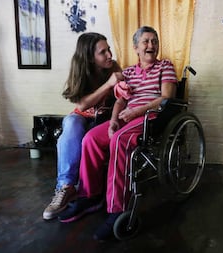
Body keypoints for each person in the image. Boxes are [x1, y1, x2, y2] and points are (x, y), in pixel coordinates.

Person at [57, 26, 178, 241]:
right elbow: (120, 100)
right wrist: (113, 121)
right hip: (125, 116)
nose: (151, 45)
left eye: (154, 41)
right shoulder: (128, 72)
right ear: (136, 48)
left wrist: (137, 111)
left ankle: (117, 209)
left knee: (120, 141)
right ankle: (90, 195)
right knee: (91, 139)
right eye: (146, 41)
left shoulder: (165, 66)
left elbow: (166, 97)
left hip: (150, 117)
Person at [42, 32, 123, 220]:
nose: (109, 55)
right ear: (89, 57)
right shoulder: (79, 69)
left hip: (105, 119)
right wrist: (108, 85)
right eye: (103, 52)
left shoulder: (114, 67)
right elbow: (81, 105)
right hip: (82, 116)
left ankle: (89, 192)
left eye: (108, 49)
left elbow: (123, 97)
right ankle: (65, 187)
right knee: (70, 123)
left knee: (86, 129)